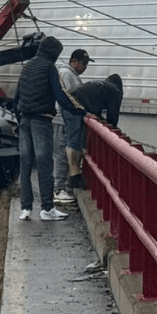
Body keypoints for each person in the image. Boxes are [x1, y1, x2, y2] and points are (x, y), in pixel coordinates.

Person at [15, 36, 80, 221]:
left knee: (25, 164)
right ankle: (47, 209)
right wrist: (79, 111)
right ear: (54, 53)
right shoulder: (49, 67)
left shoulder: (26, 67)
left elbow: (16, 96)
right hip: (41, 120)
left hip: (24, 119)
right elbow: (60, 95)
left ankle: (25, 209)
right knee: (44, 164)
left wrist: (19, 116)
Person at [53, 48, 92, 203]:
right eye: (83, 63)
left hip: (68, 119)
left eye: (87, 64)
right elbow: (66, 96)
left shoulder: (73, 75)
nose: (85, 67)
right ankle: (59, 189)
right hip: (62, 119)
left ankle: (65, 188)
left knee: (67, 152)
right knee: (62, 154)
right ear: (73, 61)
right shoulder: (66, 74)